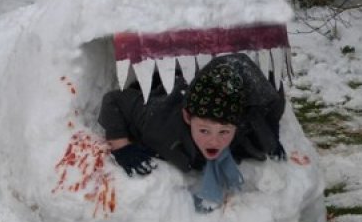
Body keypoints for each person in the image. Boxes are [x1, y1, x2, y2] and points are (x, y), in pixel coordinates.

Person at [98, 53, 286, 212]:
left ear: (236, 125)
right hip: (171, 91)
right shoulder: (157, 121)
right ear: (188, 118)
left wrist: (273, 134)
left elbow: (273, 95)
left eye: (224, 132)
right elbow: (113, 100)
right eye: (204, 130)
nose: (214, 141)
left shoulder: (250, 131)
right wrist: (120, 145)